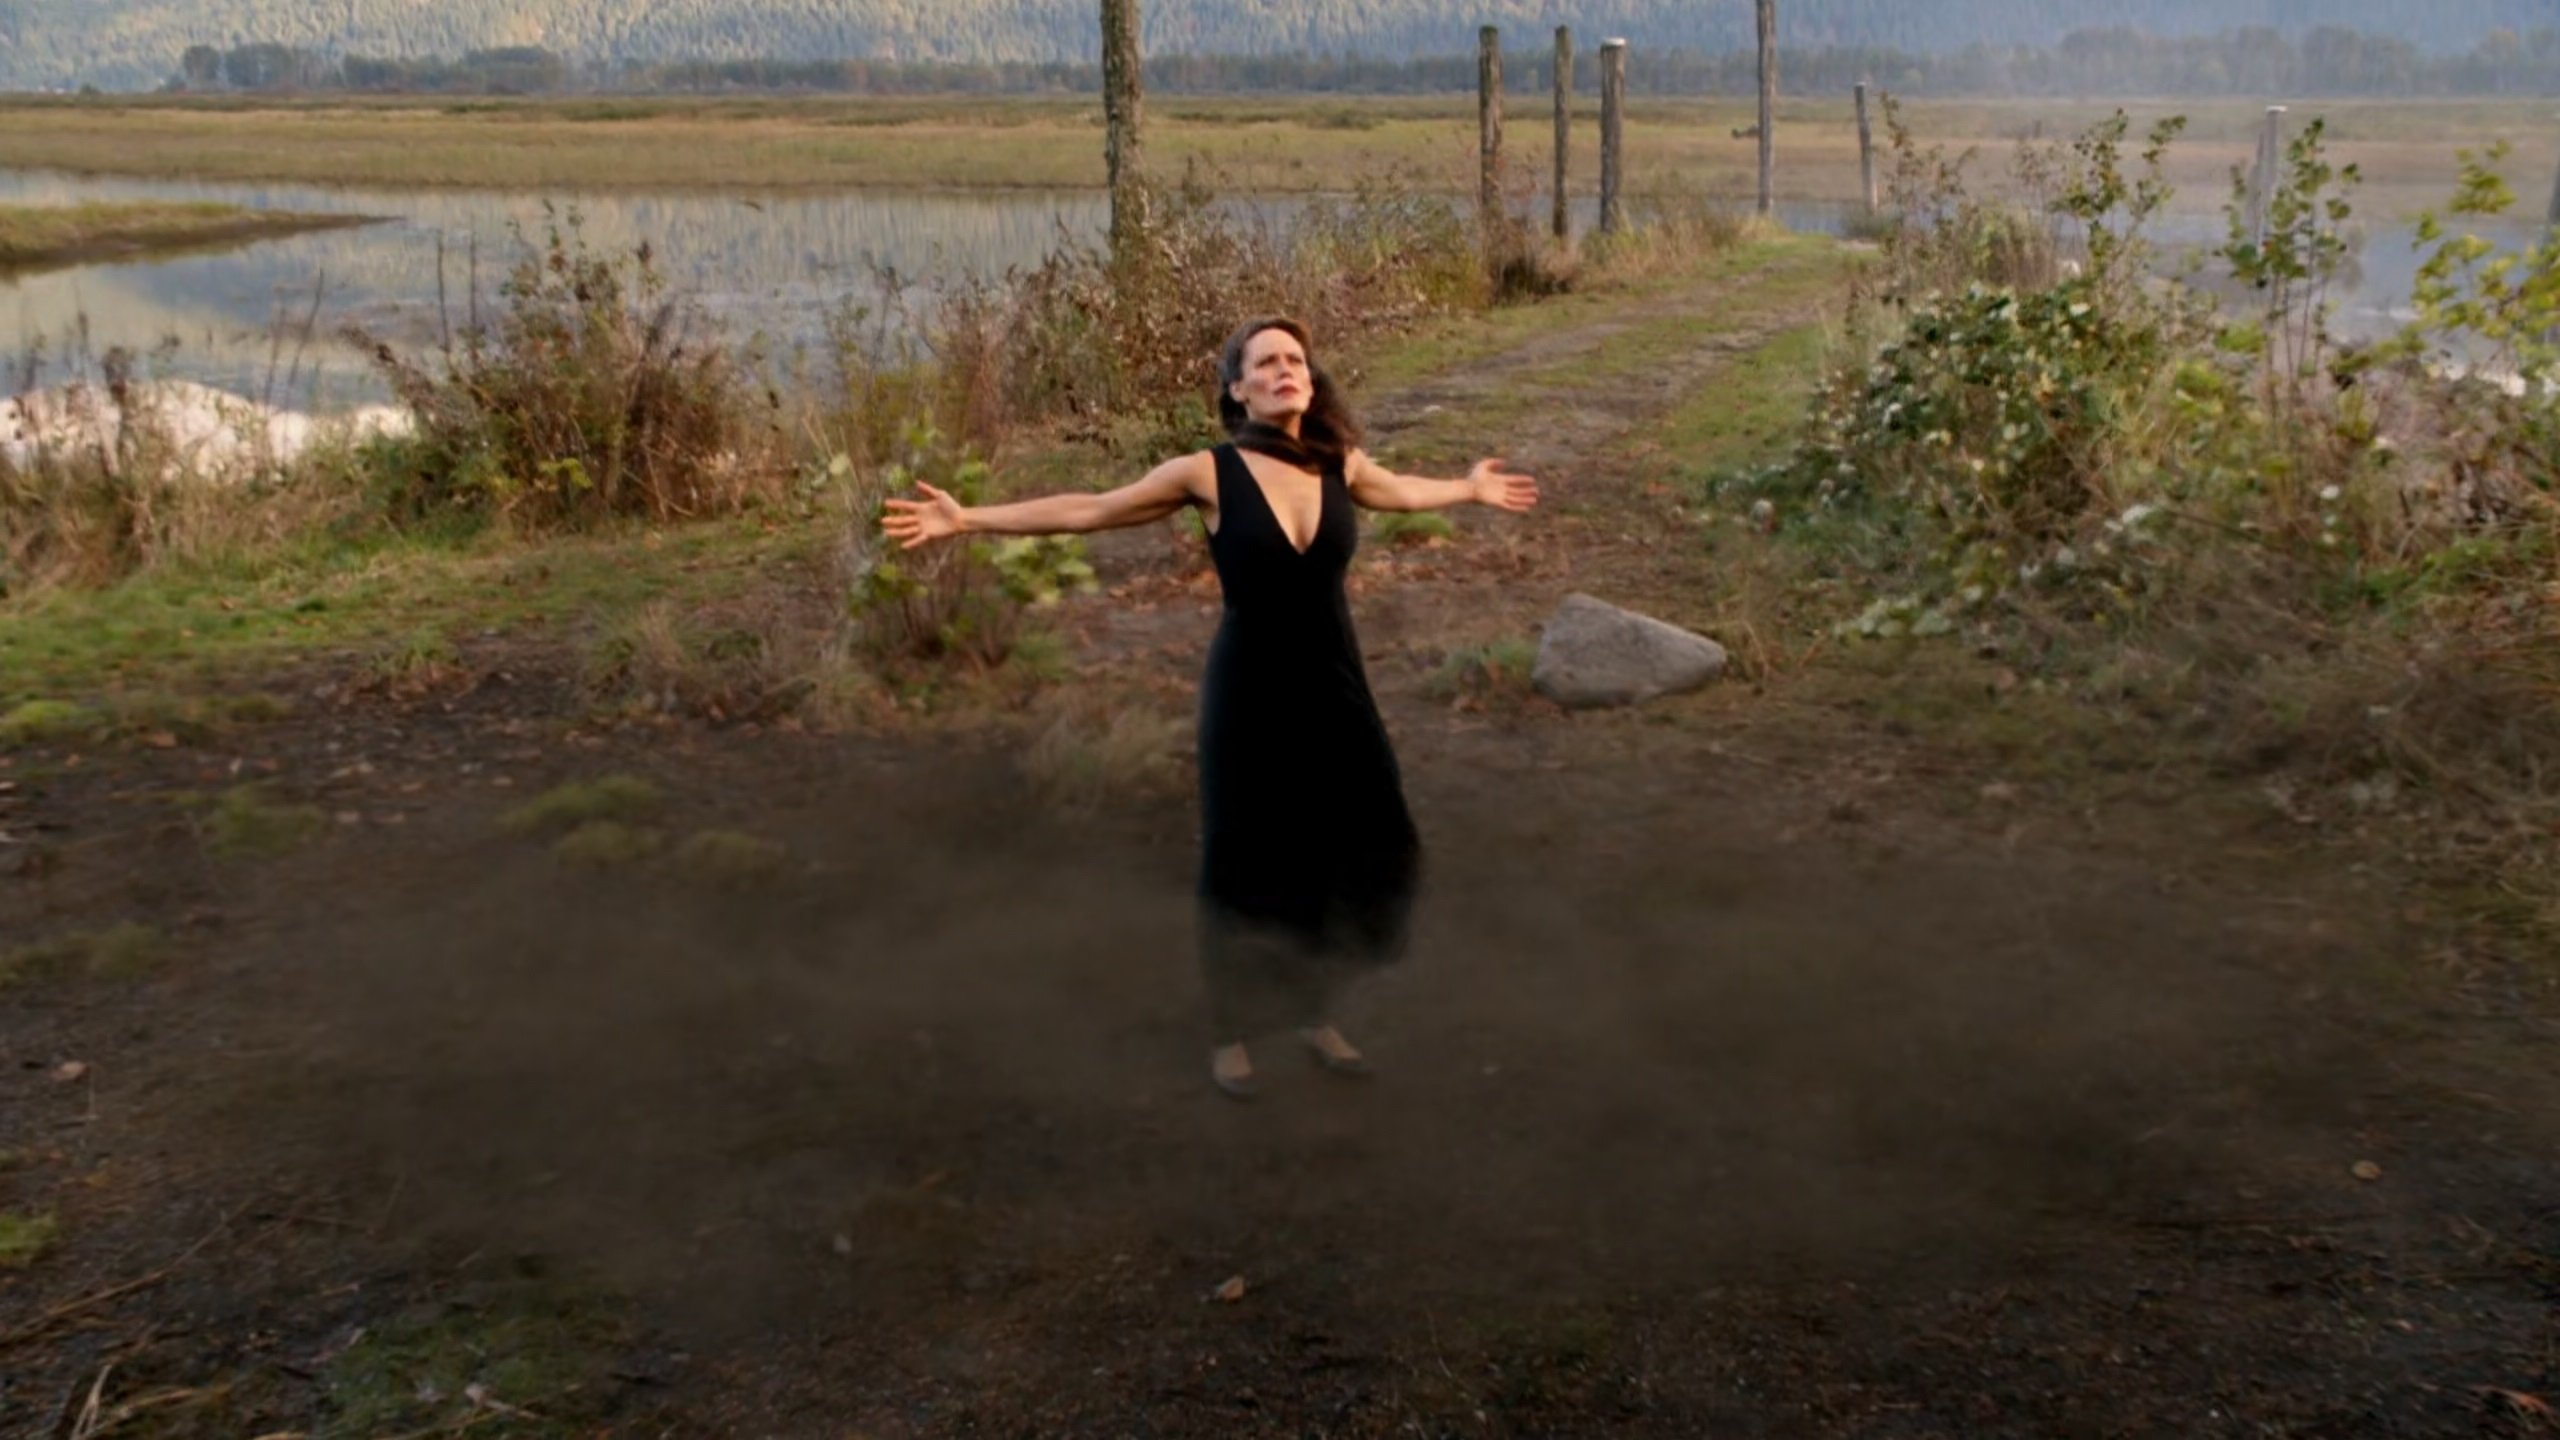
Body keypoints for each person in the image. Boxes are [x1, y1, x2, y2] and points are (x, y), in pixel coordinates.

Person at [882, 316, 1538, 1099]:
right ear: (1238, 389)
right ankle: (1231, 1028)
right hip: (1249, 686)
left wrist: (1468, 487)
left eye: (1296, 359)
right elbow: (1094, 508)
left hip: (1334, 681)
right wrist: (968, 519)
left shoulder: (1340, 462)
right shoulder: (1208, 473)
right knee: (1243, 852)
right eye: (1266, 362)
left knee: (1357, 835)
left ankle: (1312, 1004)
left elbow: (1400, 492)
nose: (1286, 369)